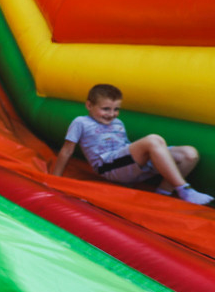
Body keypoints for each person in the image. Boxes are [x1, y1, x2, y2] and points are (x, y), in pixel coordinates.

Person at [50, 84, 213, 205]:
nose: (111, 114)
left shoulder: (118, 123)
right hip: (108, 166)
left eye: (116, 109)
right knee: (153, 139)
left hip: (129, 165)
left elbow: (125, 147)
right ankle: (184, 189)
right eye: (106, 109)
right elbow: (67, 151)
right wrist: (54, 180)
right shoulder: (81, 122)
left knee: (189, 154)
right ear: (89, 105)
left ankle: (162, 194)